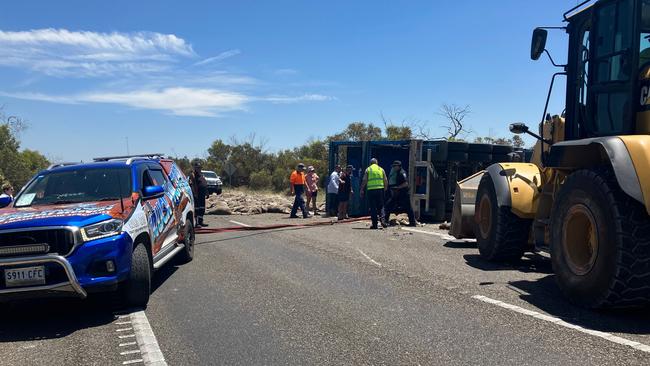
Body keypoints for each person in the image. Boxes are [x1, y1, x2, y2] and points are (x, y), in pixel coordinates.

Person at [384, 160, 416, 227]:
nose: (394, 168)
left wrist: (397, 187)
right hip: (397, 194)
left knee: (408, 208)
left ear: (398, 166)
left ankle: (413, 223)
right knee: (388, 206)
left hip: (403, 194)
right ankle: (385, 221)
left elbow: (406, 183)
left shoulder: (402, 173)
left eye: (395, 166)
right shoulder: (397, 172)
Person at [360, 158, 388, 229]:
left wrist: (362, 189)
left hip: (371, 190)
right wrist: (385, 188)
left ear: (370, 163)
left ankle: (375, 224)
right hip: (380, 190)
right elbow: (385, 180)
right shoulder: (381, 169)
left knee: (373, 207)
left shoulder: (368, 169)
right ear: (377, 163)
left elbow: (364, 180)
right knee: (381, 206)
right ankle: (383, 220)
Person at [189, 161, 209, 227]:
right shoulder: (193, 175)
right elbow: (192, 185)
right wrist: (194, 194)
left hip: (202, 194)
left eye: (200, 167)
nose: (199, 169)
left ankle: (201, 222)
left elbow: (204, 183)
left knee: (202, 209)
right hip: (197, 195)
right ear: (195, 168)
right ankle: (196, 223)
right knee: (197, 209)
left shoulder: (201, 174)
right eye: (197, 167)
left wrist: (207, 192)